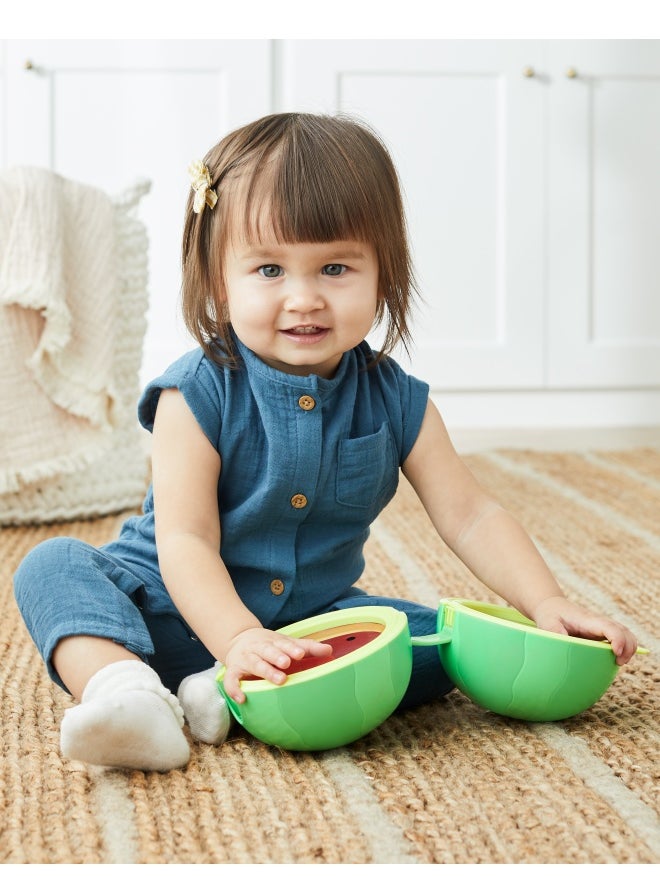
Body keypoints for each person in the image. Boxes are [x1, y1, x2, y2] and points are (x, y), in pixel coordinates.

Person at [13, 112, 638, 772]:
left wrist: (546, 602)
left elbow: (472, 513)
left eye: (335, 267)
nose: (304, 297)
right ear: (218, 281)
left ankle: (223, 697)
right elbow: (185, 540)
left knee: (437, 642)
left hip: (311, 630)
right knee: (52, 568)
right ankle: (126, 692)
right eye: (269, 270)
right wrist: (237, 638)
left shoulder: (399, 399)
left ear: (384, 274)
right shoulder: (192, 395)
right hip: (164, 613)